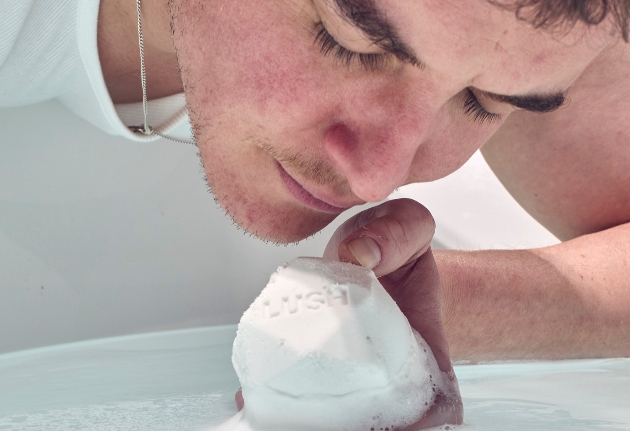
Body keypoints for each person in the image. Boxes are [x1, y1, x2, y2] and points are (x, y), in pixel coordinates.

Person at [2, 0, 629, 427]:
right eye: (349, 42)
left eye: (486, 101)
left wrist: (402, 317)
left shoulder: (527, 20)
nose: (378, 176)